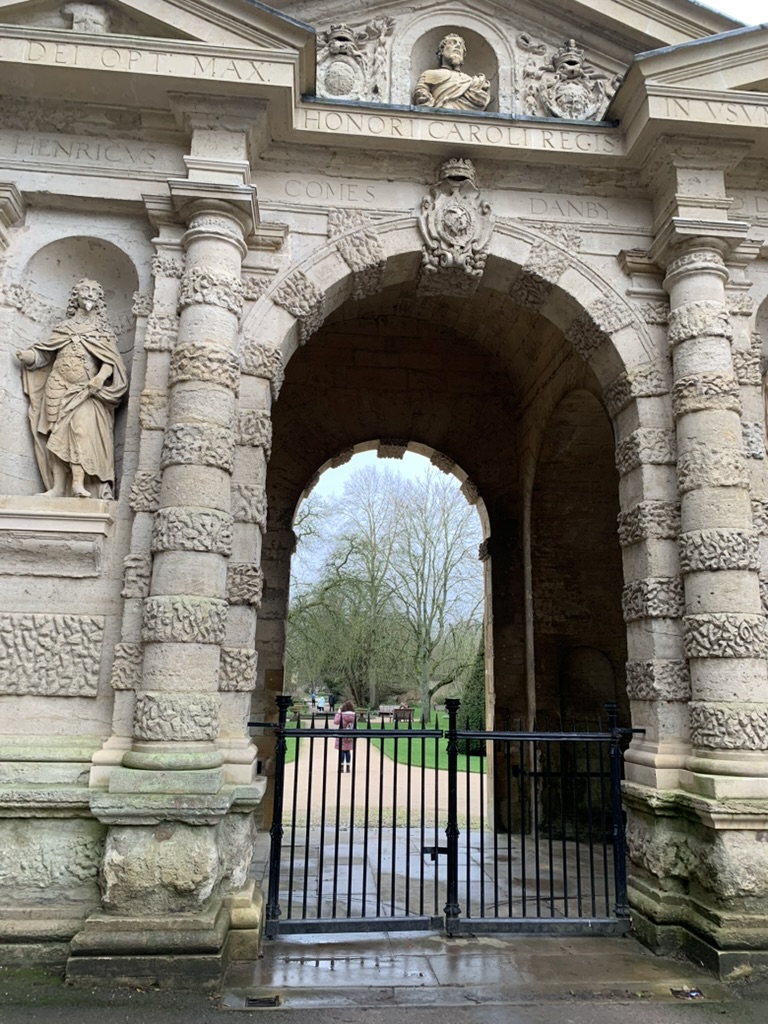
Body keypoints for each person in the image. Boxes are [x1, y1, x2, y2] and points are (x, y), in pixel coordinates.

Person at [16, 278, 128, 499]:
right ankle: (57, 487)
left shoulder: (103, 330)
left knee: (80, 431)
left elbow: (111, 361)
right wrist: (30, 356)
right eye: (85, 290)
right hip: (56, 386)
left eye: (94, 291)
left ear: (99, 300)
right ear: (76, 297)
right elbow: (46, 354)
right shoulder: (63, 328)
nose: (89, 294)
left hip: (85, 391)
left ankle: (78, 482)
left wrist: (100, 378)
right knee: (55, 434)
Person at [413, 34, 491, 112]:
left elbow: (481, 100)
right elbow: (421, 94)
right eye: (453, 43)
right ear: (442, 51)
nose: (458, 46)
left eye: (461, 45)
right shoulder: (429, 74)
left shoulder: (474, 81)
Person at [334, 700, 356, 773]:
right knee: (348, 750)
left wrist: (338, 713)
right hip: (350, 735)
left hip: (342, 734)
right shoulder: (353, 715)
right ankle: (348, 767)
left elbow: (336, 722)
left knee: (342, 750)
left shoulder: (342, 715)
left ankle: (341, 766)